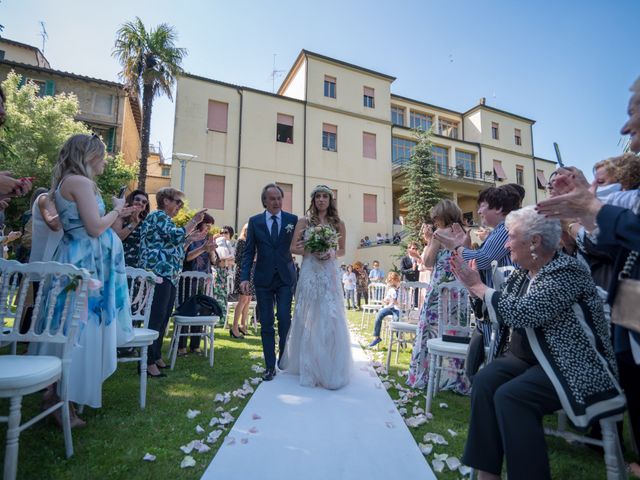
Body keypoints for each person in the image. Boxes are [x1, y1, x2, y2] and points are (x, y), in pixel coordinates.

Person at [452, 206, 625, 480]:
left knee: (512, 397)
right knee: (485, 381)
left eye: (510, 237)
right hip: (529, 360)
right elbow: (496, 315)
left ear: (534, 241)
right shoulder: (523, 274)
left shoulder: (567, 270)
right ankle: (487, 475)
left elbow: (526, 312)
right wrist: (474, 292)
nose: (506, 243)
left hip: (573, 365)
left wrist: (481, 288)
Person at [536, 76, 640, 477]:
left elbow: (606, 238)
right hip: (628, 296)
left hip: (615, 288)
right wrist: (579, 212)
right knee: (628, 370)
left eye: (632, 113)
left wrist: (587, 209)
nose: (624, 127)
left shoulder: (622, 199)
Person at [32, 133, 138, 415]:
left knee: (75, 326)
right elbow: (93, 227)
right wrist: (116, 211)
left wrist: (116, 213)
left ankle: (63, 396)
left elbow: (97, 227)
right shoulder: (79, 182)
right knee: (79, 327)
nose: (105, 160)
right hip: (84, 263)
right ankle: (62, 401)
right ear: (90, 155)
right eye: (102, 154)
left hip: (88, 259)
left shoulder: (74, 182)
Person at [281, 185, 352, 389]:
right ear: (313, 200)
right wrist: (310, 249)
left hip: (329, 272)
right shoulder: (304, 221)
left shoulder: (338, 223)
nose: (321, 200)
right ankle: (309, 366)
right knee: (310, 315)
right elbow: (293, 247)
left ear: (330, 200)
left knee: (330, 315)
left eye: (325, 197)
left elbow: (342, 250)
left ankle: (330, 365)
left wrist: (331, 253)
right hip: (310, 271)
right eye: (318, 197)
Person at [139, 187, 206, 377]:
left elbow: (177, 249)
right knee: (155, 317)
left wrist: (189, 239)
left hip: (168, 275)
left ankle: (156, 355)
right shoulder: (158, 216)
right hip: (157, 274)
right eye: (178, 202)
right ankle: (147, 362)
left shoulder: (167, 222)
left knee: (163, 317)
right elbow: (175, 237)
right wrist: (193, 222)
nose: (180, 207)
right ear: (166, 201)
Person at [407, 200, 468, 393]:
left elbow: (427, 261)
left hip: (438, 290)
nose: (433, 220)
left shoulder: (439, 234)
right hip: (458, 290)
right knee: (455, 331)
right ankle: (453, 378)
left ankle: (425, 374)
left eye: (435, 216)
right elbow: (468, 256)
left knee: (430, 330)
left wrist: (431, 241)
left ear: (442, 216)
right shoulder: (464, 233)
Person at [240, 183, 298, 381]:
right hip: (263, 279)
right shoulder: (255, 222)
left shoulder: (292, 220)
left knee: (284, 317)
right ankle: (269, 366)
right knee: (266, 322)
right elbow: (248, 252)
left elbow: (300, 245)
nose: (276, 202)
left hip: (285, 278)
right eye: (272, 199)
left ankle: (283, 360)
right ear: (265, 201)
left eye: (279, 198)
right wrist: (244, 277)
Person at [178, 213, 218, 355]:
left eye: (210, 227)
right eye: (207, 225)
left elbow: (213, 261)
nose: (208, 229)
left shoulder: (207, 239)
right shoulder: (191, 238)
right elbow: (186, 258)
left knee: (202, 310)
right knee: (187, 310)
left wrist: (211, 250)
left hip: (203, 280)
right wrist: (203, 249)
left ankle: (195, 345)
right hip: (188, 280)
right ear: (200, 224)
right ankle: (181, 346)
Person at [112, 189, 150, 267]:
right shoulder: (121, 217)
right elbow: (117, 238)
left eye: (144, 202)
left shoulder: (145, 222)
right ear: (131, 200)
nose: (140, 203)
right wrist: (134, 223)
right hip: (121, 263)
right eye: (137, 199)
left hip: (139, 266)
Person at [231, 223, 254, 338]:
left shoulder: (252, 242)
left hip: (252, 271)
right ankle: (234, 327)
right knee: (242, 299)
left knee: (248, 300)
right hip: (243, 272)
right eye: (248, 230)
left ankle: (243, 325)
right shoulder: (241, 241)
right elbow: (237, 259)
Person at [368, 272, 401, 348]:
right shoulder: (391, 290)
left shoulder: (402, 289)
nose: (391, 284)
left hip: (398, 309)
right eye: (390, 282)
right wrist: (385, 301)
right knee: (379, 315)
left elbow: (404, 304)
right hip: (389, 308)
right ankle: (377, 337)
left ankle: (399, 337)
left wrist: (395, 301)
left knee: (397, 319)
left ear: (397, 281)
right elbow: (385, 300)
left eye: (393, 282)